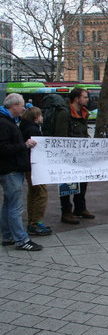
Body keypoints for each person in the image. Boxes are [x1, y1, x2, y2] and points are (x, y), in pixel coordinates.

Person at [0, 93, 43, 251]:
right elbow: (3, 148)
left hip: (10, 168)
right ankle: (21, 239)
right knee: (15, 206)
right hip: (11, 169)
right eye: (21, 105)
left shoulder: (9, 122)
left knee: (8, 204)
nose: (24, 108)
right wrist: (24, 145)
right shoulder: (5, 124)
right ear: (13, 106)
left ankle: (8, 235)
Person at [54, 87, 94, 224]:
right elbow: (61, 136)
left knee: (82, 182)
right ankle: (66, 211)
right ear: (76, 98)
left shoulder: (83, 113)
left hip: (81, 154)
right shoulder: (64, 113)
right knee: (67, 183)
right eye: (85, 97)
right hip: (68, 155)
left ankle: (80, 208)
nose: (87, 99)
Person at [19, 107, 51, 236]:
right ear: (36, 117)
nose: (42, 117)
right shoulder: (33, 130)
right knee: (41, 193)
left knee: (33, 193)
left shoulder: (24, 127)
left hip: (29, 166)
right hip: (35, 166)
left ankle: (32, 221)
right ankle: (36, 223)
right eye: (40, 115)